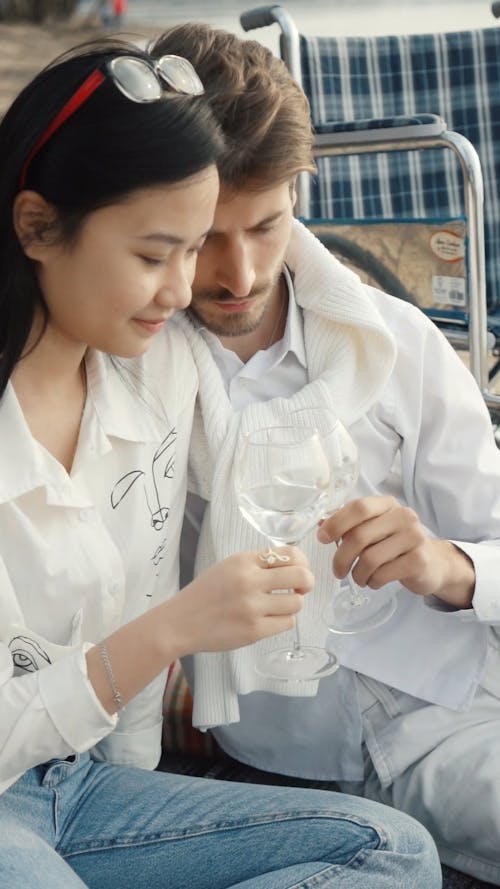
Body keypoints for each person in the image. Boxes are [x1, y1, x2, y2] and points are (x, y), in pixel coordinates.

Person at [0, 35, 441, 889]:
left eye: (189, 250)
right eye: (151, 253)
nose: (182, 289)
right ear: (36, 226)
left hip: (81, 788)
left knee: (392, 851)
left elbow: (127, 716)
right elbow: (147, 633)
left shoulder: (158, 374)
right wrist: (167, 634)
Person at [150, 23, 500, 886]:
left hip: (457, 713)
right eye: (202, 240)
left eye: (265, 226)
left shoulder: (401, 343)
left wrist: (447, 563)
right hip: (284, 765)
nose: (236, 273)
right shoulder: (131, 378)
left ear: (300, 192)